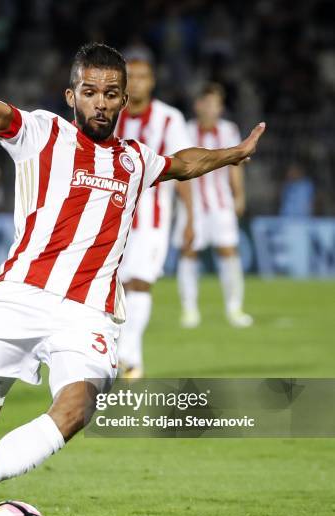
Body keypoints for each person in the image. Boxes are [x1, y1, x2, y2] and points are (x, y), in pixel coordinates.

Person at [0, 36, 265, 516]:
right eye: (90, 92)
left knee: (77, 407)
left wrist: (232, 154)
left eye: (111, 94)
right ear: (71, 95)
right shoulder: (41, 133)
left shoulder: (134, 160)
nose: (101, 102)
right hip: (17, 298)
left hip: (88, 313)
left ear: (124, 101)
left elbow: (182, 163)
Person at [115, 55, 194, 378]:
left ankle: (130, 357)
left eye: (142, 76)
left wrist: (190, 217)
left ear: (152, 81)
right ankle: (123, 356)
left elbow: (186, 166)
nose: (136, 82)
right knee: (114, 287)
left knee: (140, 282)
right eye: (130, 76)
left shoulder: (169, 119)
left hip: (154, 219)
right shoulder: (108, 115)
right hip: (112, 218)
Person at [173, 83, 253, 328]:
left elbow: (234, 166)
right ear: (198, 105)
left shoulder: (229, 130)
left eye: (217, 104)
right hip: (192, 204)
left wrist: (239, 195)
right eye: (208, 103)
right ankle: (189, 310)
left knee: (228, 251)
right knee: (189, 253)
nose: (212, 108)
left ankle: (234, 308)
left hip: (220, 204)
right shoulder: (184, 130)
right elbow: (177, 166)